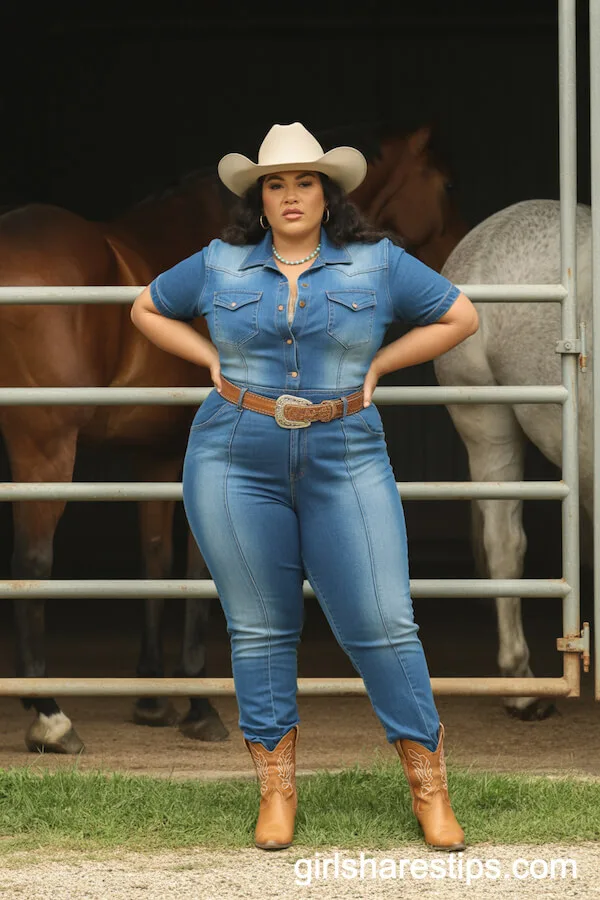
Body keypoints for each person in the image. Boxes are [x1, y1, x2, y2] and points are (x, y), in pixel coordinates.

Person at [130, 122, 478, 853]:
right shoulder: (220, 263)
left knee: (384, 620)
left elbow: (459, 315)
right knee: (260, 627)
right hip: (232, 454)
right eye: (276, 184)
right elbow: (146, 308)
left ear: (328, 193)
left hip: (346, 452)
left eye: (305, 182)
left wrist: (379, 366)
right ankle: (277, 790)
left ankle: (430, 788)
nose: (291, 195)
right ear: (259, 198)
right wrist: (208, 360)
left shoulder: (378, 262)